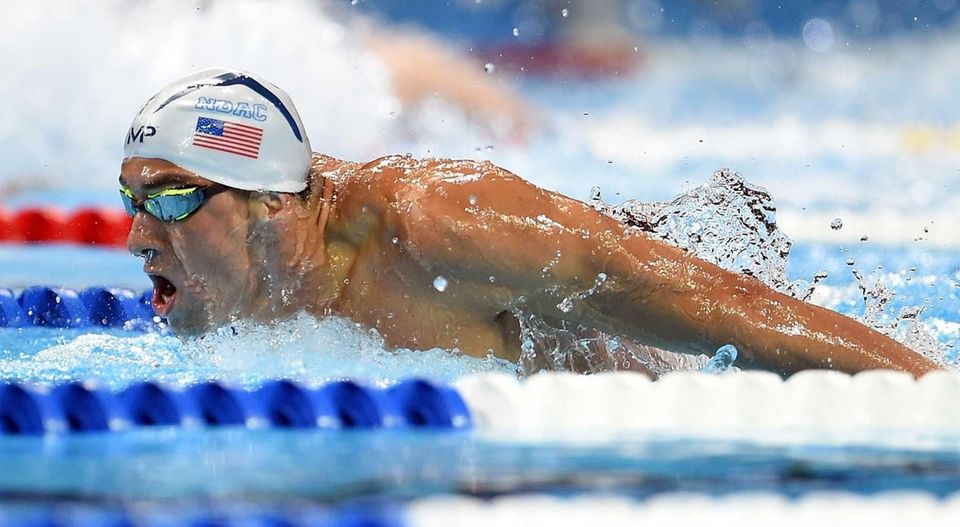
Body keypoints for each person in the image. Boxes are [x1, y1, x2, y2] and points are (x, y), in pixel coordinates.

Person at [121, 68, 940, 379]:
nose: (136, 237)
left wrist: (933, 398)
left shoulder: (432, 230)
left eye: (169, 200)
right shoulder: (249, 290)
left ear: (269, 201)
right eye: (131, 201)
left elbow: (737, 310)